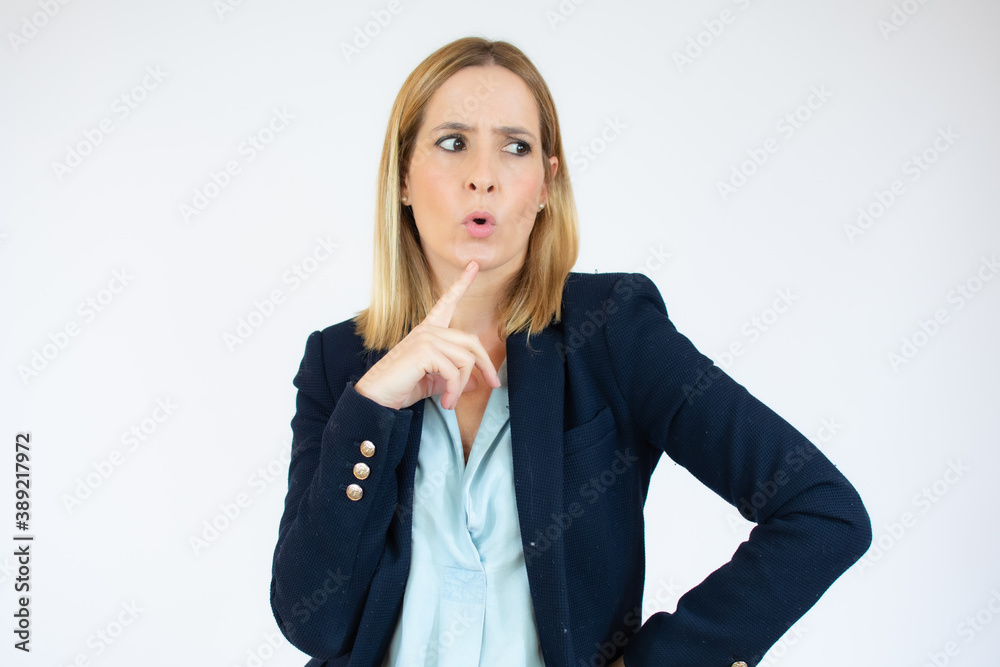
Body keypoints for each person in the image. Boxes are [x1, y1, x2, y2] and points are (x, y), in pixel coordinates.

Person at [269, 36, 872, 667]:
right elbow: (314, 623)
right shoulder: (341, 362)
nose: (484, 174)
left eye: (516, 146)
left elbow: (821, 510)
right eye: (452, 143)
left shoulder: (611, 331)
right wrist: (371, 407)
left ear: (546, 186)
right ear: (402, 179)